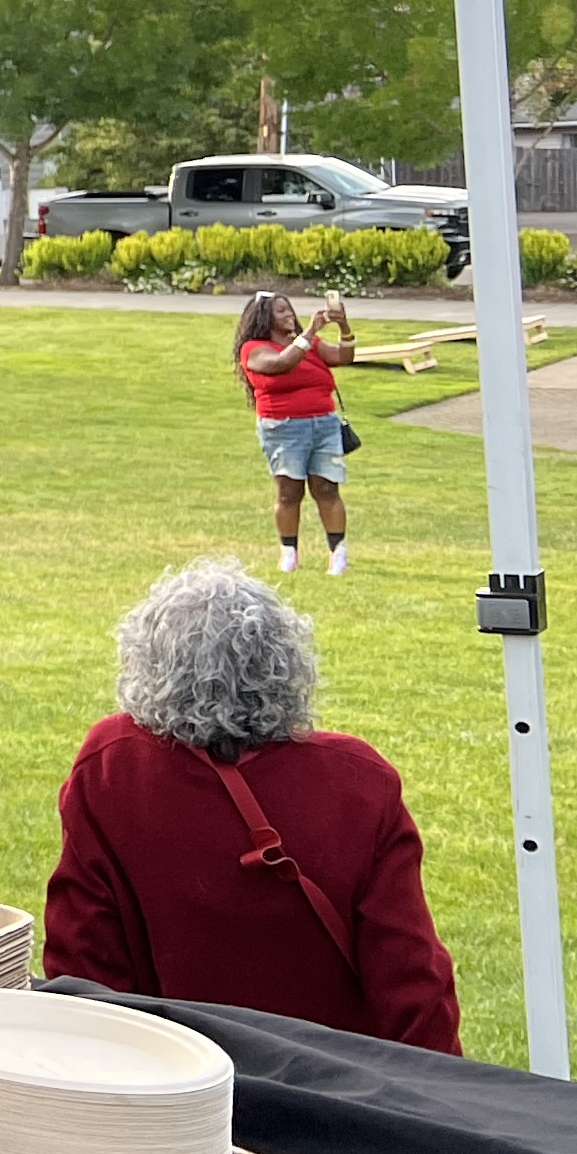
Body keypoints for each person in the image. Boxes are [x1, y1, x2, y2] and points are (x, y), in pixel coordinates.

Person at [46, 559, 459, 1050]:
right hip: (336, 1091)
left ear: (147, 665)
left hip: (176, 1085)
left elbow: (83, 967)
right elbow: (411, 979)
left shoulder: (112, 765)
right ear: (285, 663)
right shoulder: (357, 780)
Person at [235, 291, 353, 576]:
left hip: (324, 423)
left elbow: (343, 357)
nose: (289, 315)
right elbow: (280, 364)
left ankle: (337, 552)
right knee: (289, 492)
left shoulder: (308, 344)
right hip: (283, 427)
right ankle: (289, 551)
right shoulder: (254, 349)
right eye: (281, 311)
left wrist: (344, 327)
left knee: (327, 487)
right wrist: (310, 331)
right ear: (265, 318)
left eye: (290, 310)